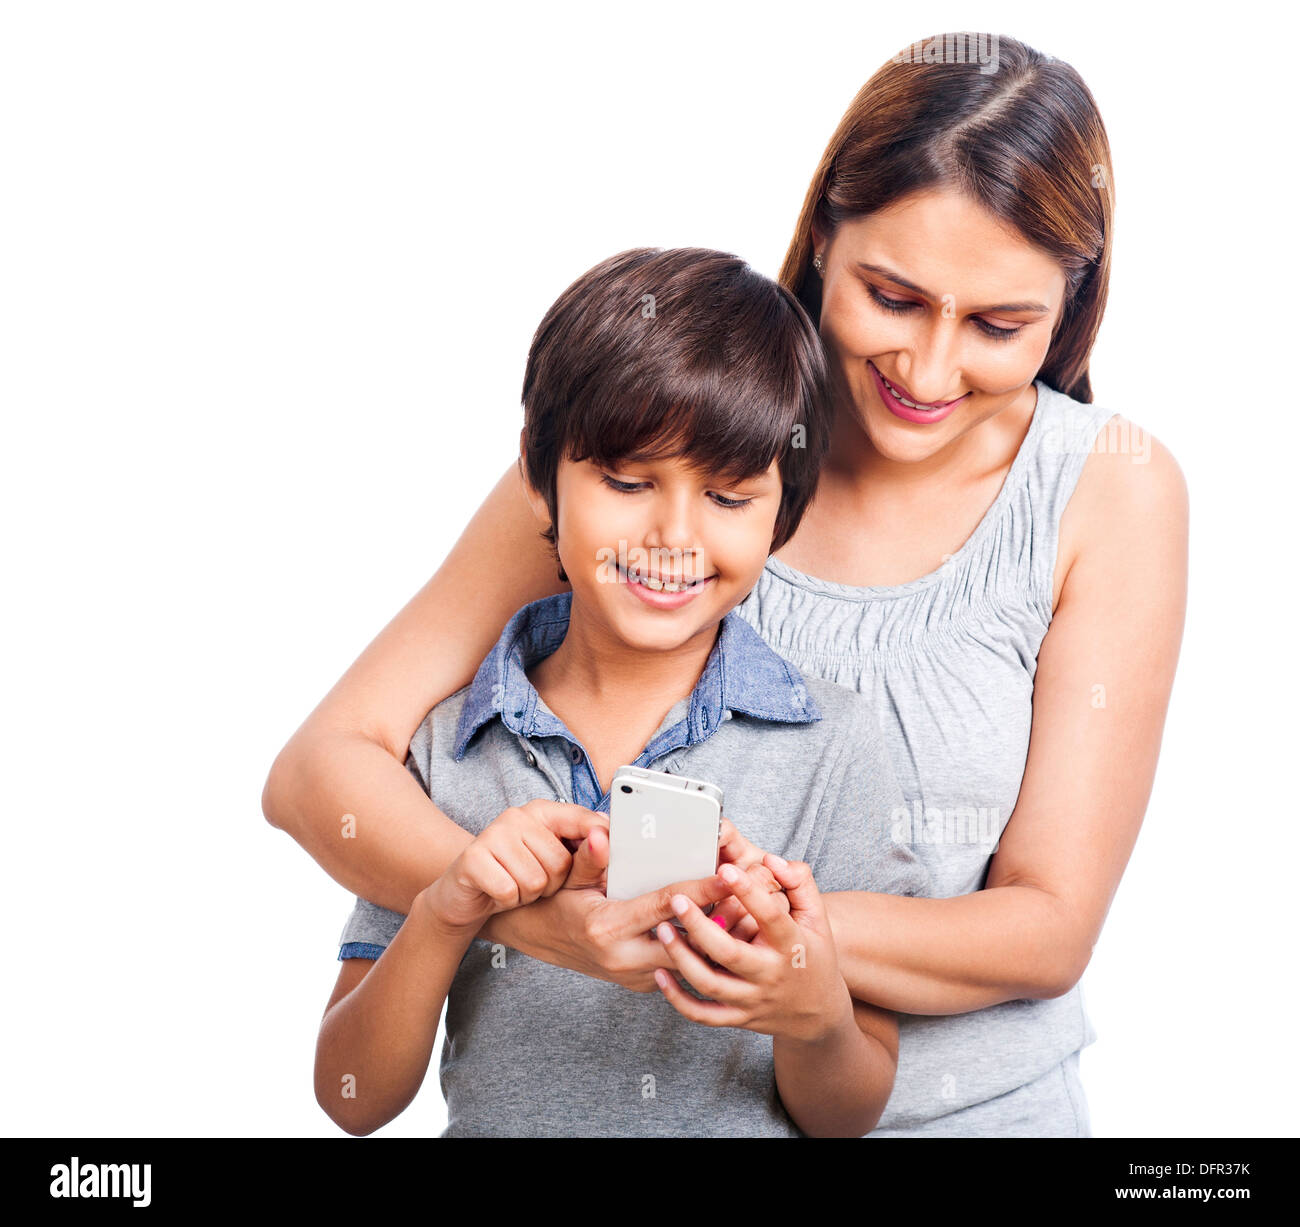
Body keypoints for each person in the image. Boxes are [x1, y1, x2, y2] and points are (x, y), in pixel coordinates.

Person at [267, 35, 1188, 1137]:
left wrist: (743, 931)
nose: (931, 371)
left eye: (999, 326)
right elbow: (320, 773)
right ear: (821, 241)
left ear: (1071, 307)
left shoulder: (1106, 492)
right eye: (891, 297)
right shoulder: (654, 445)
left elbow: (1046, 929)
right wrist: (529, 916)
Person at [313, 247, 929, 1138]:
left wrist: (812, 1008)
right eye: (628, 481)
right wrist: (450, 903)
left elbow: (847, 1115)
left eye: (727, 496)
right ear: (539, 474)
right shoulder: (448, 747)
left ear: (782, 513)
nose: (672, 534)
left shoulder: (835, 744)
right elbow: (350, 1097)